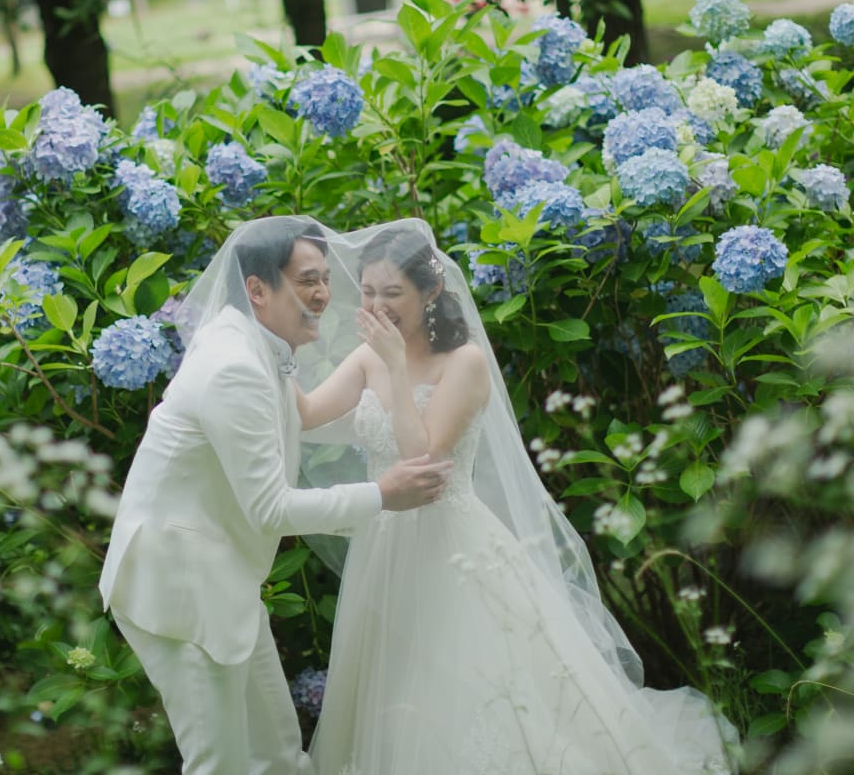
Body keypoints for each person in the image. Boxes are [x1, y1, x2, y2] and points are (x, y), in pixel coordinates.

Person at [295, 219, 736, 775]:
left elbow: (422, 456)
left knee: (466, 681)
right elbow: (307, 413)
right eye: (369, 292)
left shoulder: (465, 363)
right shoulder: (367, 358)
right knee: (391, 679)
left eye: (393, 293)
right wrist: (269, 353)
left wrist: (396, 367)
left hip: (451, 546)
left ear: (430, 293)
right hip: (384, 545)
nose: (378, 306)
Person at [97, 216, 453, 775]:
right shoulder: (233, 367)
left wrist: (388, 410)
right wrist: (382, 494)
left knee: (278, 753)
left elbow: (300, 418)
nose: (323, 294)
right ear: (257, 290)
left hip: (222, 580)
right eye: (306, 281)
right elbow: (271, 509)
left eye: (324, 279)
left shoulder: (253, 342)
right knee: (220, 762)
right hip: (176, 586)